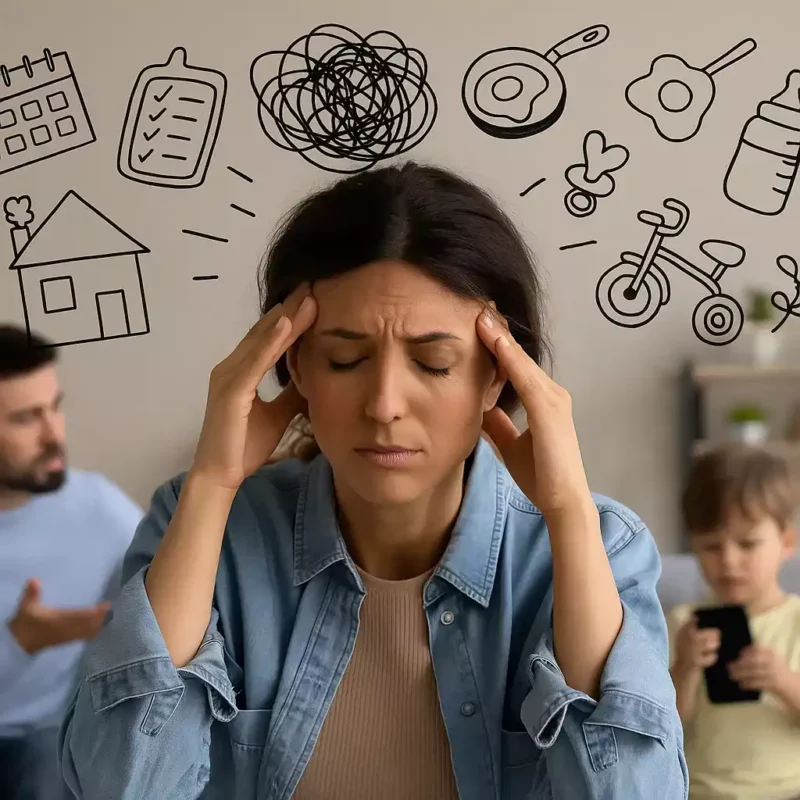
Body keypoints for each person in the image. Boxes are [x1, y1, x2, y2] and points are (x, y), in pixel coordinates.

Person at [59, 162, 688, 799]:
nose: (384, 403)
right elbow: (121, 787)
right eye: (345, 358)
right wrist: (212, 484)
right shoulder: (204, 531)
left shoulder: (600, 548)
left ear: (497, 376)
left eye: (434, 362)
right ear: (294, 366)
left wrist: (567, 512)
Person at [0, 325, 143, 800]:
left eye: (55, 407)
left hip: (49, 737)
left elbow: (166, 600)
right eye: (25, 418)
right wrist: (21, 641)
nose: (52, 434)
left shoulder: (98, 507)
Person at [668, 444, 800, 800]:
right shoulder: (683, 624)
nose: (728, 561)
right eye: (711, 546)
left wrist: (786, 683)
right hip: (705, 792)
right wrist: (684, 669)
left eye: (747, 544)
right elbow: (664, 728)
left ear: (787, 543)